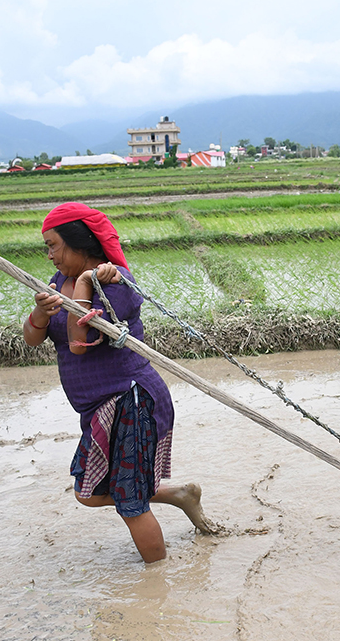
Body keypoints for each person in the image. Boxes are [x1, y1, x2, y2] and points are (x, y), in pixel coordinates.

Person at [24, 202, 216, 563]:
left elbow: (78, 344)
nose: (49, 254)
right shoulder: (56, 283)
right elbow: (33, 338)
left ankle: (155, 589)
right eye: (46, 246)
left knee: (129, 503)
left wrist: (82, 284)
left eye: (53, 245)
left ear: (79, 243)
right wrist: (39, 312)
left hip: (130, 402)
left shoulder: (116, 284)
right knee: (89, 490)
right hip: (98, 407)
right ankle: (178, 494)